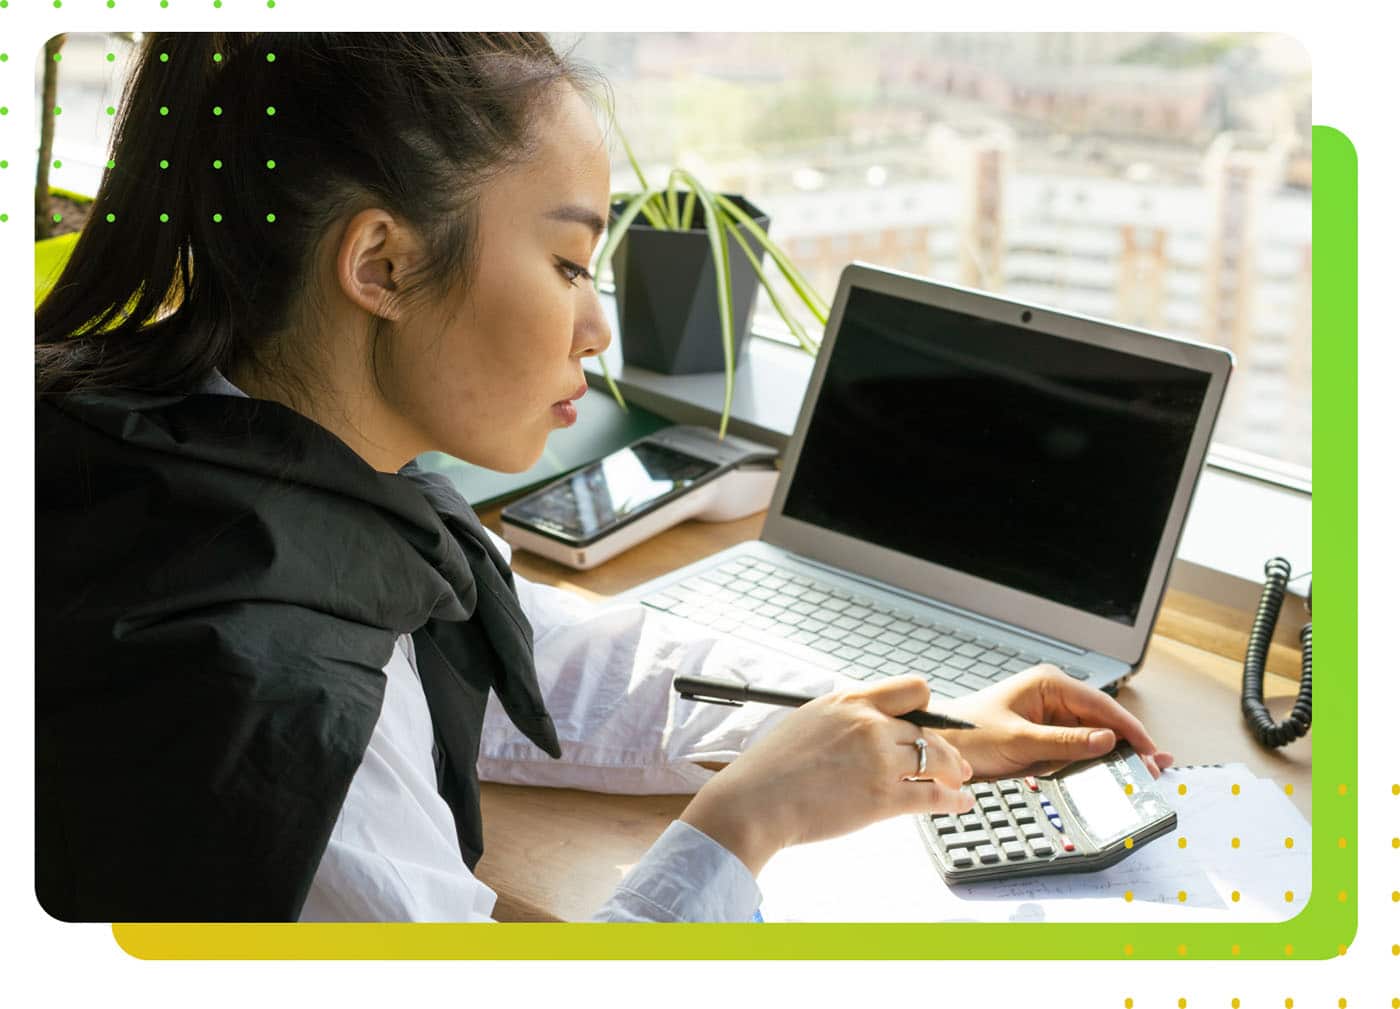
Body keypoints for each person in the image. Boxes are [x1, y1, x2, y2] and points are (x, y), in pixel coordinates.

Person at [34, 32, 1172, 923]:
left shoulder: (194, 453)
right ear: (380, 262)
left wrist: (918, 716)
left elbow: (552, 659)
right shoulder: (268, 712)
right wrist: (744, 824)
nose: (594, 327)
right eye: (570, 261)